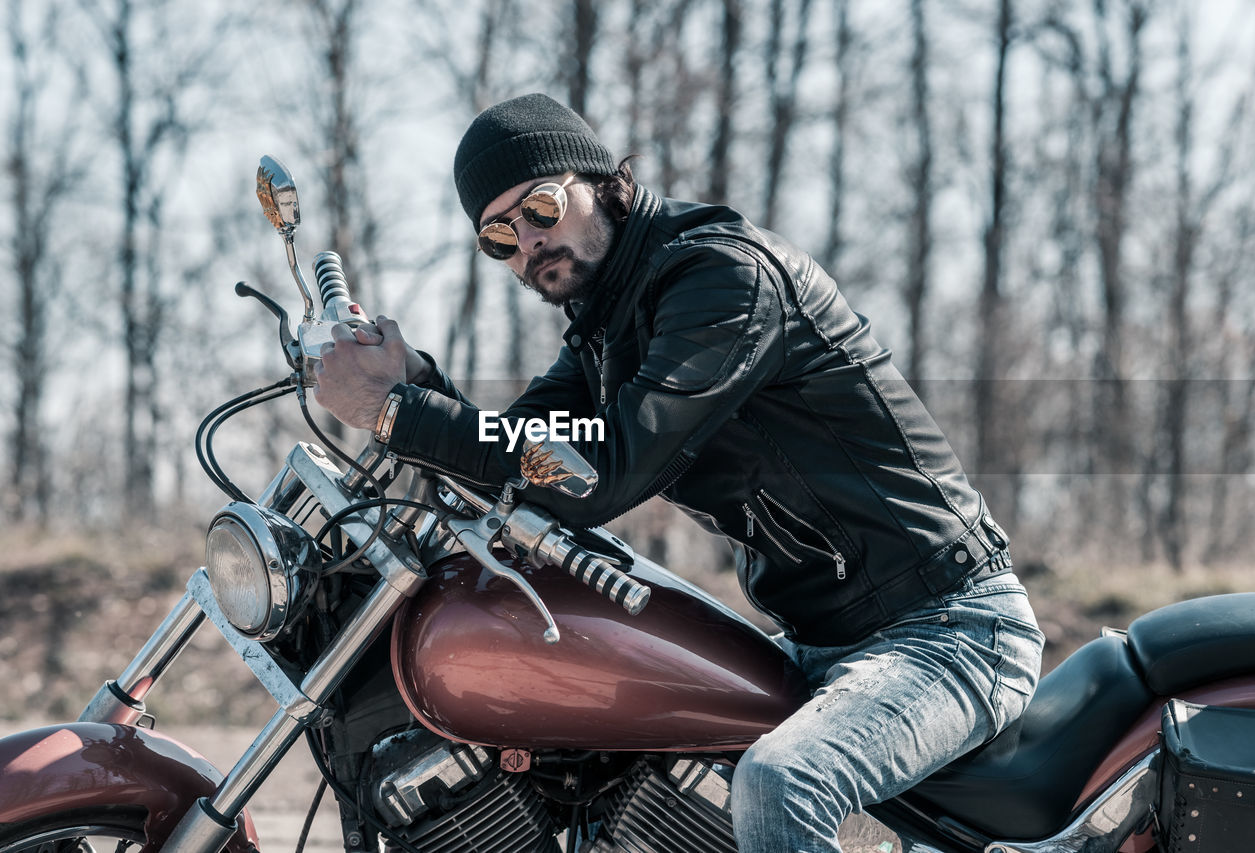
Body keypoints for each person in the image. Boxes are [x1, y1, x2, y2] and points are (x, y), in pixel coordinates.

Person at [313, 92, 1044, 852]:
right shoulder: (602, 328)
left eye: (540, 206)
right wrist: (417, 383)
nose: (527, 241)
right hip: (821, 642)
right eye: (499, 235)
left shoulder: (719, 279)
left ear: (600, 181)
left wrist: (395, 414)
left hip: (949, 628)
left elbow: (603, 473)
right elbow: (523, 448)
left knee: (780, 782)